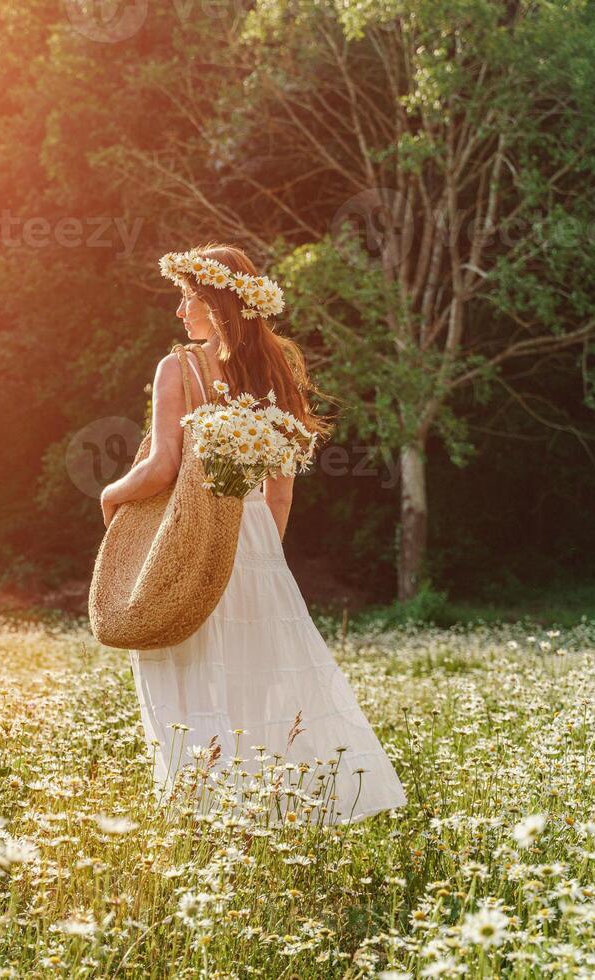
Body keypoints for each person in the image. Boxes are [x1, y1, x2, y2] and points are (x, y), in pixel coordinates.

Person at [99, 242, 408, 826]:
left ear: (216, 305)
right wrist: (262, 557)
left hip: (193, 539)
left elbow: (163, 465)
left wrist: (111, 493)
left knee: (186, 667)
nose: (179, 313)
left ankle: (200, 813)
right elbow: (281, 490)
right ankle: (282, 811)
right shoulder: (277, 370)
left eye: (188, 299)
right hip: (257, 541)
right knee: (264, 680)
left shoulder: (178, 368)